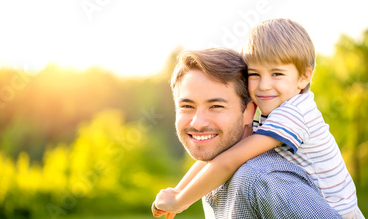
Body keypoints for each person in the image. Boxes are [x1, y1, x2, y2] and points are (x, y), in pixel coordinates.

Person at [154, 19, 364, 218]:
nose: (263, 85)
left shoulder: (293, 114)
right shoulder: (273, 112)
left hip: (339, 212)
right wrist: (178, 192)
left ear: (304, 76)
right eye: (255, 74)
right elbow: (217, 157)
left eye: (277, 74)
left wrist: (181, 201)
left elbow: (229, 161)